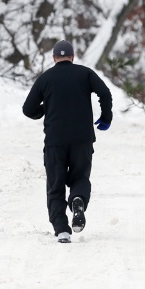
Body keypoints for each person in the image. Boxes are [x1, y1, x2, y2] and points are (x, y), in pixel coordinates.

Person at [22, 40, 113, 244]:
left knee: (55, 185)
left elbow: (28, 109)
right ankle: (78, 200)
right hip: (82, 139)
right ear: (72, 57)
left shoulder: (45, 78)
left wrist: (46, 109)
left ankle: (62, 230)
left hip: (55, 141)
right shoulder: (85, 74)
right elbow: (105, 93)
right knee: (80, 177)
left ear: (54, 58)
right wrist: (106, 117)